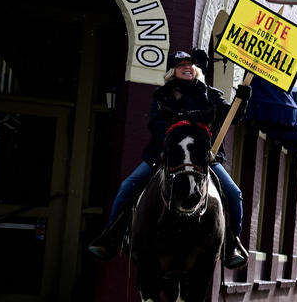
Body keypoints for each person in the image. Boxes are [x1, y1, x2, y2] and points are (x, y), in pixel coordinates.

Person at [88, 50, 250, 269]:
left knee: (234, 193)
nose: (186, 67)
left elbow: (234, 117)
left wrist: (243, 97)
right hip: (165, 155)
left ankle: (232, 244)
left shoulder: (211, 95)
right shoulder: (162, 95)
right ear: (172, 71)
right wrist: (171, 143)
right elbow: (156, 124)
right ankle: (111, 237)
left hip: (204, 157)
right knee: (128, 186)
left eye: (190, 64)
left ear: (196, 69)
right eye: (181, 64)